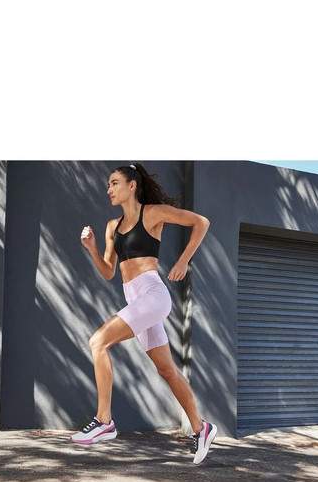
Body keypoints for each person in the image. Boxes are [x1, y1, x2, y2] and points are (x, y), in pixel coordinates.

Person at [70, 162, 217, 464]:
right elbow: (109, 272)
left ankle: (104, 421)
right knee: (166, 370)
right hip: (135, 300)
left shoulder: (153, 213)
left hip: (152, 296)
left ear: (132, 185)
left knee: (98, 341)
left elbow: (201, 222)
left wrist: (183, 261)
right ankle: (202, 428)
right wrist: (92, 248)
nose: (109, 189)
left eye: (114, 183)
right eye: (108, 185)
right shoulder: (112, 227)